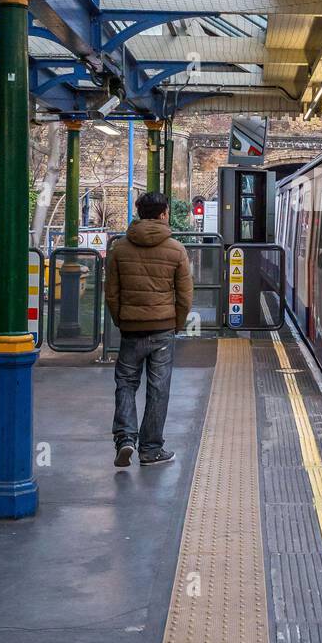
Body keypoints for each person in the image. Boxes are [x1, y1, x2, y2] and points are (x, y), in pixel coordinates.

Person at [105, 191, 193, 468]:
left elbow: (111, 293)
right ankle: (151, 449)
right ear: (164, 213)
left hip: (131, 328)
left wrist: (121, 320)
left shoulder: (119, 247)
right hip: (163, 329)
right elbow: (185, 295)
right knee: (158, 388)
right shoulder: (176, 249)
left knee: (126, 383)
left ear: (139, 212)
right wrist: (176, 323)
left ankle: (125, 439)